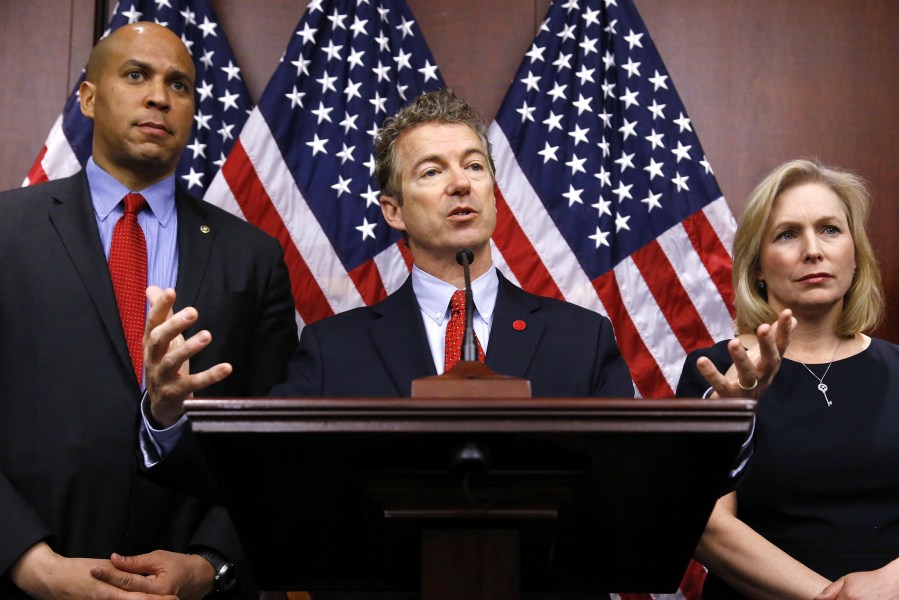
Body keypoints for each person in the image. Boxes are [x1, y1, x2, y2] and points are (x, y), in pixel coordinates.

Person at [0, 22, 297, 600]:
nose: (160, 96)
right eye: (136, 75)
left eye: (179, 85)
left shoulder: (252, 258)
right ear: (88, 97)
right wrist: (31, 564)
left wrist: (210, 564)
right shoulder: (7, 231)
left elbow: (275, 443)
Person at [146, 87, 633, 418]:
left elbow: (625, 486)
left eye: (474, 166)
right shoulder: (331, 353)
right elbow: (266, 478)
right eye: (431, 171)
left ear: (493, 192)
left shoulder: (581, 341)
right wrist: (167, 414)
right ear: (393, 211)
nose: (461, 183)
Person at [676, 159, 899, 599]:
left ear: (855, 255)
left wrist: (891, 583)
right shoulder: (721, 371)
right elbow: (706, 526)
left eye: (830, 229)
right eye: (788, 234)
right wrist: (831, 598)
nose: (813, 250)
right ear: (758, 267)